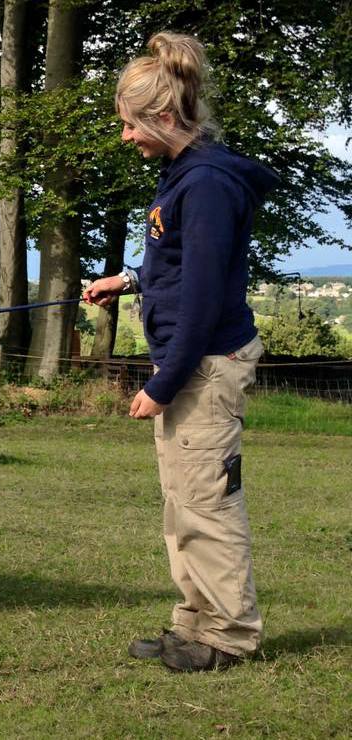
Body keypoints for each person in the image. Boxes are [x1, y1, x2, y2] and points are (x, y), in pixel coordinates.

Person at [83, 31, 279, 672]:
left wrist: (163, 381)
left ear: (165, 118)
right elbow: (183, 266)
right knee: (183, 504)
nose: (125, 137)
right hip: (190, 362)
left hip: (203, 365)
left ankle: (229, 635)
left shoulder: (208, 185)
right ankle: (193, 623)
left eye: (130, 125)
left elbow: (202, 299)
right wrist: (129, 280)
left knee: (207, 504)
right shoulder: (183, 178)